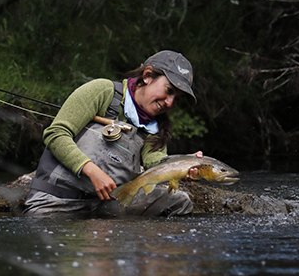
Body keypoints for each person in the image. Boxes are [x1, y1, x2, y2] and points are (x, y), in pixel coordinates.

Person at [23, 50, 201, 218]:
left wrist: (182, 164)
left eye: (176, 99)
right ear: (147, 76)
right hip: (54, 200)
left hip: (105, 207)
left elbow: (155, 163)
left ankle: (146, 248)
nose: (170, 102)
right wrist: (92, 171)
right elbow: (56, 134)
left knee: (180, 202)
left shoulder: (156, 128)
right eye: (169, 90)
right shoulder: (103, 91)